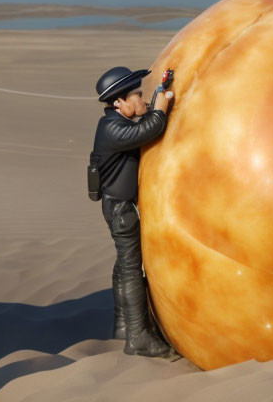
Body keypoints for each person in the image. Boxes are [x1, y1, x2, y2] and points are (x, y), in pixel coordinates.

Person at [91, 66, 174, 358]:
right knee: (131, 268)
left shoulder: (114, 124)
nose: (143, 99)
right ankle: (138, 337)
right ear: (118, 103)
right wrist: (161, 110)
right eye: (137, 95)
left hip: (118, 207)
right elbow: (148, 130)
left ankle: (124, 326)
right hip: (122, 209)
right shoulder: (114, 128)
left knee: (123, 264)